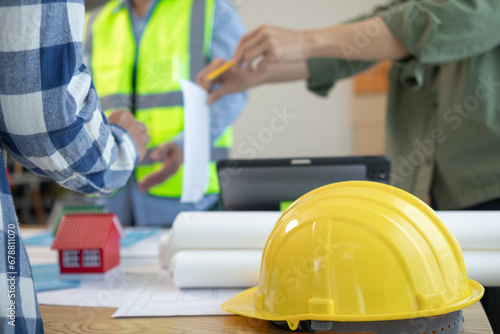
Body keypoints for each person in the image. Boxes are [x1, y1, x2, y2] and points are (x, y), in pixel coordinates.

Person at [197, 1, 500, 331]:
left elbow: (423, 25)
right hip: (430, 199)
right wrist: (255, 73)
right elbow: (358, 44)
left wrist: (300, 39)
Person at [0, 0, 152, 332]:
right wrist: (122, 147)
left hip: (167, 188)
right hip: (111, 170)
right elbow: (46, 122)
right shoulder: (107, 17)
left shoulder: (208, 11)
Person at [83, 0, 247, 226]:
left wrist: (185, 144)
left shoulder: (211, 9)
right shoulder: (95, 21)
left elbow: (232, 92)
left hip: (187, 197)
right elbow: (81, 101)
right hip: (111, 196)